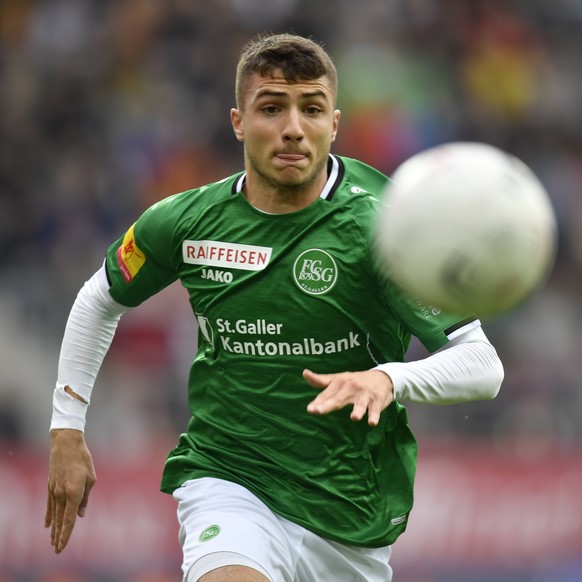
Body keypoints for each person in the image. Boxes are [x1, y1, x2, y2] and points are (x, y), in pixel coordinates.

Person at [46, 33, 504, 582]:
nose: (293, 128)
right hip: (228, 478)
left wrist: (387, 379)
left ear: (333, 124)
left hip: (349, 509)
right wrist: (66, 428)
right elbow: (98, 299)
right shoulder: (186, 222)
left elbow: (482, 364)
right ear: (238, 122)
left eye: (311, 109)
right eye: (271, 108)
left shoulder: (386, 227)